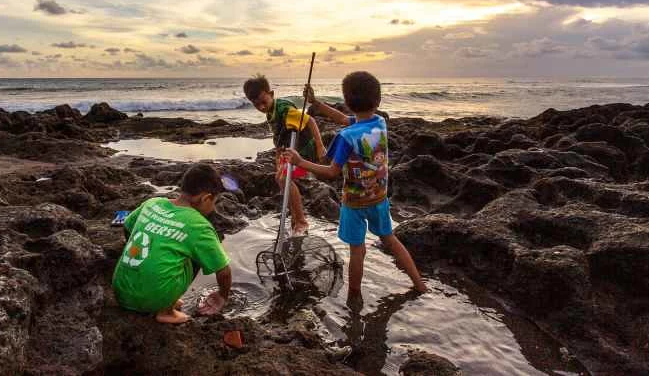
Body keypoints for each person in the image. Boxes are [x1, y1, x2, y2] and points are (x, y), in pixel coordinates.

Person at [282, 71, 427, 299]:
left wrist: (300, 162)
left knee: (357, 251)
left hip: (354, 203)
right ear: (378, 101)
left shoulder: (346, 137)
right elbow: (343, 118)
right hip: (379, 197)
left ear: (347, 102)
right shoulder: (380, 122)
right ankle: (419, 284)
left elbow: (331, 171)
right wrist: (316, 104)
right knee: (390, 239)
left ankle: (354, 296)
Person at [112, 163, 232, 324]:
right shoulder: (198, 225)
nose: (213, 208)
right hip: (153, 300)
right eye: (214, 202)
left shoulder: (153, 203)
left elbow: (127, 226)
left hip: (120, 292)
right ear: (205, 198)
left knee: (163, 246)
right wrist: (222, 295)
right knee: (195, 256)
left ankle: (160, 295)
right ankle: (166, 310)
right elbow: (223, 271)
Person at [243, 74, 326, 236]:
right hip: (289, 150)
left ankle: (301, 221)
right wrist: (278, 160)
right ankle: (295, 216)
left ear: (271, 94)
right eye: (256, 104)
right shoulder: (271, 112)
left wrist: (320, 146)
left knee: (284, 179)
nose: (261, 107)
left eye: (263, 102)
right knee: (279, 178)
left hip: (304, 150)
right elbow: (280, 138)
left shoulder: (285, 109)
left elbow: (310, 121)